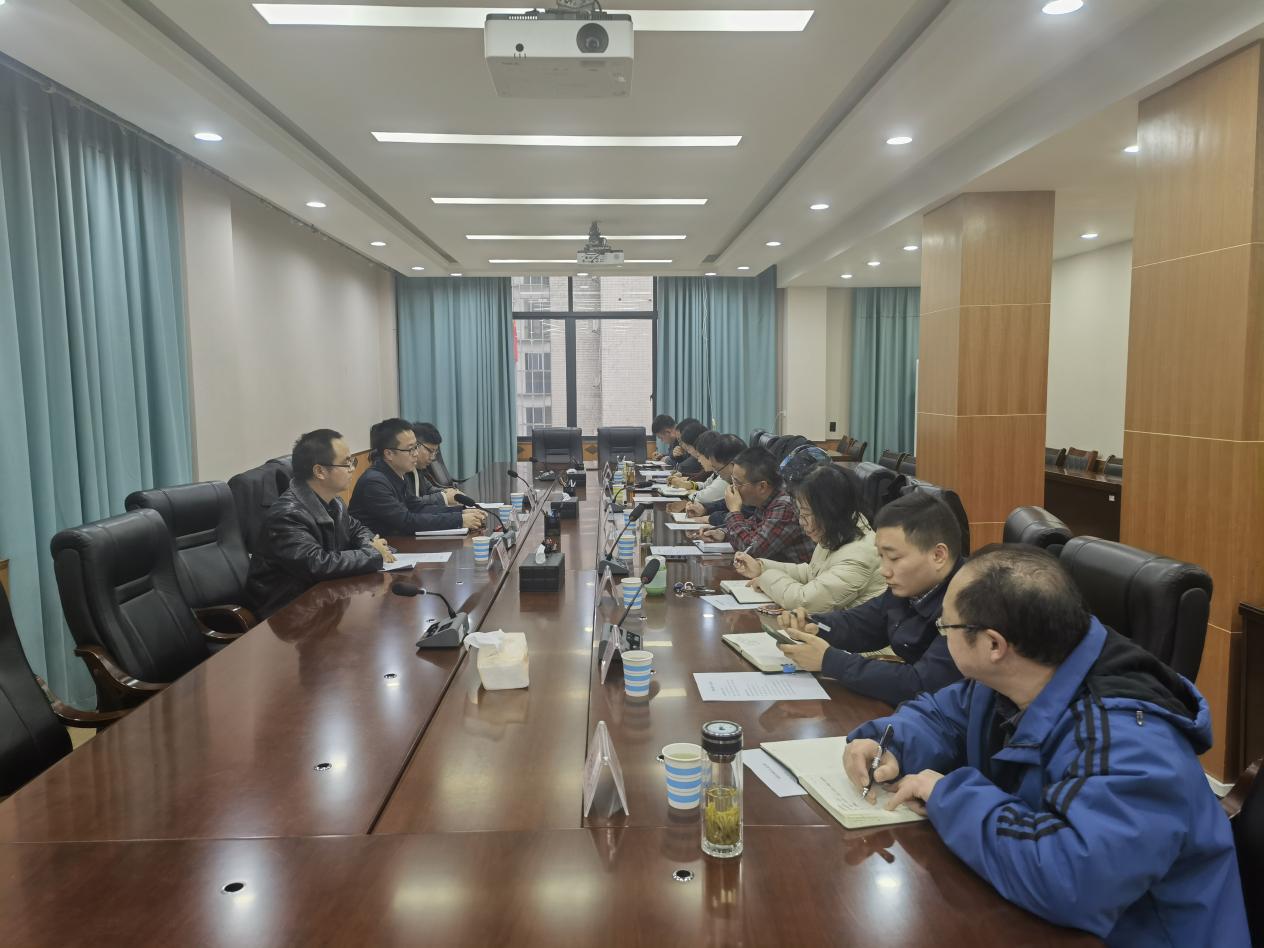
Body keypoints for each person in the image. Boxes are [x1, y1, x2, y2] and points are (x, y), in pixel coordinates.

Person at [844, 547, 1250, 946]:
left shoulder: (1133, 740)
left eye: (945, 626)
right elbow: (942, 715)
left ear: (993, 645)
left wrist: (947, 795)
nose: (941, 633)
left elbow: (1075, 880)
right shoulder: (1019, 672)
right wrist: (889, 743)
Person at [776, 490, 964, 705]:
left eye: (893, 558)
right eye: (881, 557)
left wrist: (829, 661)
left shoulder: (967, 603)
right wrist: (814, 624)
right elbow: (863, 624)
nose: (884, 570)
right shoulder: (912, 586)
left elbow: (921, 684)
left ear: (938, 555)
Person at [246, 428, 393, 618]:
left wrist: (372, 545)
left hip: (322, 599)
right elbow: (318, 564)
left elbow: (357, 529)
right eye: (346, 463)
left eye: (352, 461)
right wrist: (372, 553)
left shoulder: (334, 501)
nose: (352, 468)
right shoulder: (287, 515)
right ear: (320, 471)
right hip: (287, 613)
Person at [733, 463, 885, 614]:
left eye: (805, 515)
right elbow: (812, 573)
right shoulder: (838, 532)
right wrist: (761, 567)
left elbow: (804, 601)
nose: (801, 522)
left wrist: (765, 578)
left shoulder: (859, 556)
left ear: (829, 512)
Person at [350, 418, 486, 536]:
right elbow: (406, 521)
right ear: (389, 454)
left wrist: (462, 512)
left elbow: (417, 507)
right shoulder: (374, 483)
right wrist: (458, 520)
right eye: (410, 449)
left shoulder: (397, 474)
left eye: (415, 447)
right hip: (378, 549)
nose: (415, 454)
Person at [694, 446, 814, 563]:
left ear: (762, 486)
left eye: (737, 483)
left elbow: (750, 551)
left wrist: (734, 510)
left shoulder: (785, 506)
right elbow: (752, 529)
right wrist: (722, 533)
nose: (733, 487)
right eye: (733, 480)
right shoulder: (768, 499)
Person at [409, 421, 451, 493]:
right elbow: (412, 500)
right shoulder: (404, 471)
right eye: (430, 451)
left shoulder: (419, 468)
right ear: (416, 445)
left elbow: (428, 489)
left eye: (435, 452)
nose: (433, 458)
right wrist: (443, 496)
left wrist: (448, 492)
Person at [667, 422, 711, 489]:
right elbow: (702, 477)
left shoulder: (710, 461)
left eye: (688, 448)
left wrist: (684, 481)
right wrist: (682, 475)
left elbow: (702, 478)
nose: (681, 445)